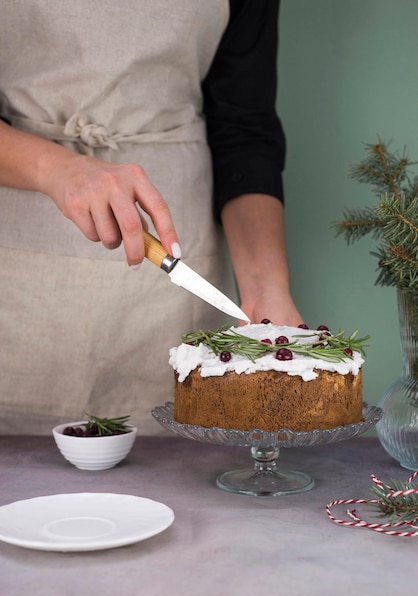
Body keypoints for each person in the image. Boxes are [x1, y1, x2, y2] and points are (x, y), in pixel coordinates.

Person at [0, 0, 302, 435]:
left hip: (173, 273)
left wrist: (266, 290)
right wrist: (57, 169)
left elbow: (244, 128)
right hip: (20, 257)